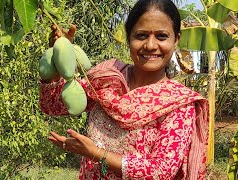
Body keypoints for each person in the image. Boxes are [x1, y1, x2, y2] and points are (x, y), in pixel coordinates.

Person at [40, 0, 209, 179]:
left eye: (161, 36)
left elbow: (160, 171)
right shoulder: (107, 78)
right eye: (141, 36)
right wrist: (57, 59)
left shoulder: (179, 104)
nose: (150, 45)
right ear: (129, 38)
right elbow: (52, 105)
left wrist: (96, 154)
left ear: (176, 40)